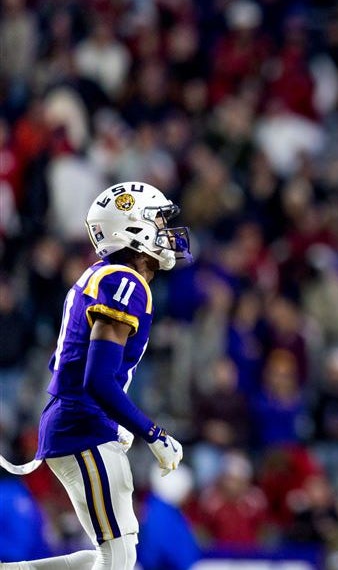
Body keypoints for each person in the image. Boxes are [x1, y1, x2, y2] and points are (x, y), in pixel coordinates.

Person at [0, 182, 188, 570]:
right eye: (157, 220)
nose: (167, 231)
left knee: (116, 554)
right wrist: (153, 433)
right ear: (132, 227)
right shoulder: (124, 281)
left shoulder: (104, 276)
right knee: (118, 556)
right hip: (81, 422)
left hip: (77, 420)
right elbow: (98, 380)